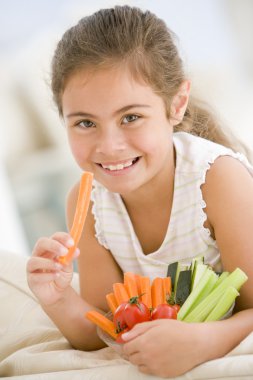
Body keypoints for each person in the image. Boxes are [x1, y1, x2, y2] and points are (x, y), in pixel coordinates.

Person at [26, 5, 253, 378]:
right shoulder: (90, 205)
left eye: (130, 117)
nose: (109, 146)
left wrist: (203, 342)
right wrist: (59, 299)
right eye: (85, 123)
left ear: (175, 104)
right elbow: (105, 333)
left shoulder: (217, 179)